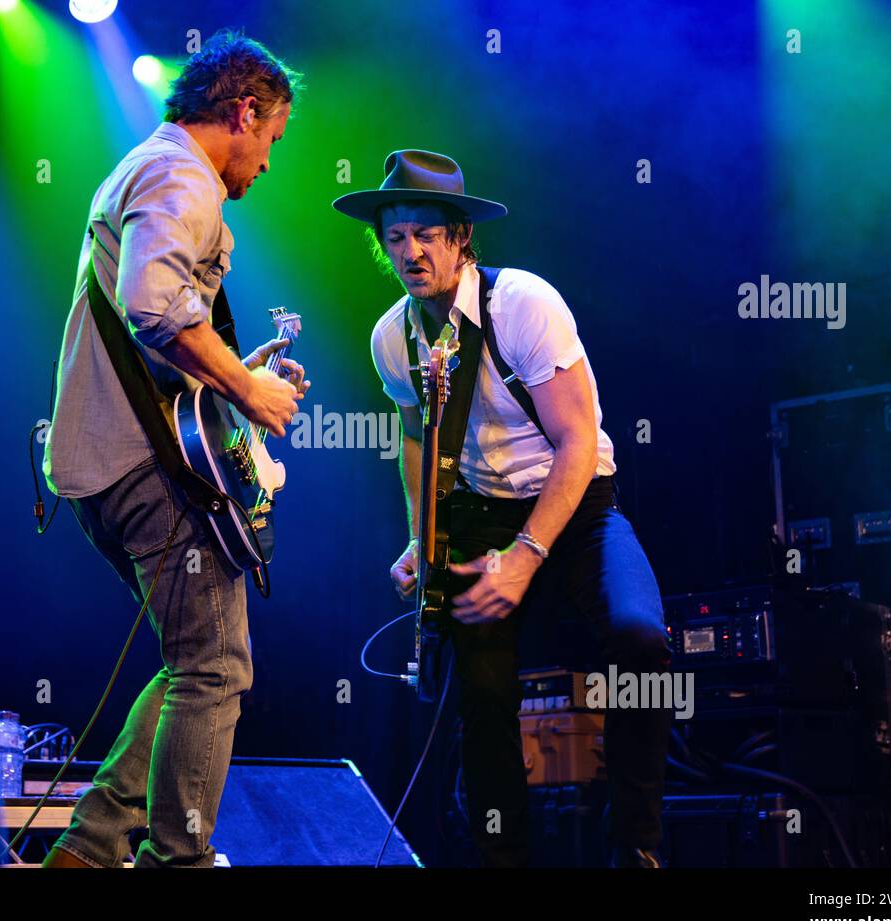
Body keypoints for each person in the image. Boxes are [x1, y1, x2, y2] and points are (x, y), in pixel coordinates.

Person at [334, 150, 672, 867]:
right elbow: (415, 438)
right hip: (481, 513)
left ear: (461, 238)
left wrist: (527, 557)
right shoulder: (391, 337)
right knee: (480, 695)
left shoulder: (522, 303)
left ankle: (636, 844)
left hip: (576, 502)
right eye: (396, 236)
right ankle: (503, 857)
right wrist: (420, 540)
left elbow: (579, 441)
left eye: (428, 233)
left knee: (640, 639)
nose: (411, 251)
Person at [41, 30, 307, 868]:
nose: (267, 163)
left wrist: (231, 369)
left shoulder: (153, 165)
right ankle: (174, 862)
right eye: (272, 140)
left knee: (191, 661)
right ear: (244, 111)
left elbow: (156, 328)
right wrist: (248, 390)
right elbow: (155, 304)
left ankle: (87, 851)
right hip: (136, 464)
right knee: (218, 667)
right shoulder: (180, 173)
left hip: (104, 462)